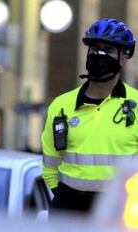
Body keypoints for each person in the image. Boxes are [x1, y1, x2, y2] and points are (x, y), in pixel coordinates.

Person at [42, 18, 138, 214]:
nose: (99, 55)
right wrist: (62, 197)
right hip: (68, 208)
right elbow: (50, 165)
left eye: (108, 50)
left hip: (118, 210)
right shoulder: (61, 106)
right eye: (94, 48)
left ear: (124, 58)